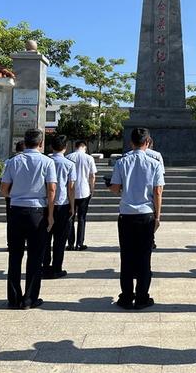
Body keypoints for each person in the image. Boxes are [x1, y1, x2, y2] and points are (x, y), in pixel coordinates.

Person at [1, 128, 57, 309]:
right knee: (35, 256)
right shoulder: (47, 162)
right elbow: (51, 189)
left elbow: (4, 188)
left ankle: (14, 297)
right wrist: (50, 215)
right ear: (41, 143)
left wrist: (15, 196)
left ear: (24, 142)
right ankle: (30, 298)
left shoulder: (13, 161)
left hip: (16, 210)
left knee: (15, 255)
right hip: (37, 212)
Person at [109, 127, 164, 309]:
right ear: (147, 142)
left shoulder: (121, 162)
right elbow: (157, 191)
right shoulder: (154, 163)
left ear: (130, 142)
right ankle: (142, 297)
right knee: (144, 258)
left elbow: (115, 188)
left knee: (126, 257)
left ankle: (126, 297)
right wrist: (157, 215)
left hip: (126, 215)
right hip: (146, 214)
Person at [43, 135, 77, 279]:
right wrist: (73, 205)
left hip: (45, 203)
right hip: (62, 204)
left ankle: (45, 266)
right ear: (66, 147)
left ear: (51, 147)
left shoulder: (46, 161)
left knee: (45, 237)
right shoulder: (69, 164)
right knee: (60, 239)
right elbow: (71, 187)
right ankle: (57, 267)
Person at [66, 140, 97, 251]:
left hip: (71, 191)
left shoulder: (68, 157)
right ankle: (79, 243)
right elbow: (92, 176)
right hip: (84, 191)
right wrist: (92, 189)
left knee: (70, 217)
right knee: (82, 218)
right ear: (84, 147)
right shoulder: (89, 158)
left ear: (76, 146)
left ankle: (70, 243)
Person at [3, 140, 25, 219]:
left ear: (16, 149)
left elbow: (3, 178)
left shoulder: (9, 161)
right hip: (28, 196)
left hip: (12, 195)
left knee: (11, 221)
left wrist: (7, 195)